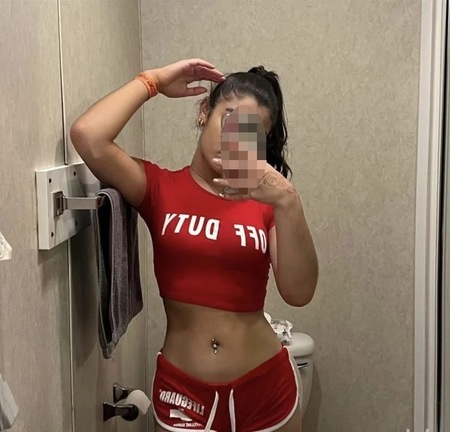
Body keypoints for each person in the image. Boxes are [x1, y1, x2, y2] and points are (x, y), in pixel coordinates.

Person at [70, 58, 318, 432]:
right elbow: (88, 135)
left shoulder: (268, 204)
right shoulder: (159, 188)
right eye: (230, 120)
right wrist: (153, 81)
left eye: (252, 132)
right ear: (204, 111)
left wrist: (289, 200)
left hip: (266, 388)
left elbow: (299, 293)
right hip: (183, 393)